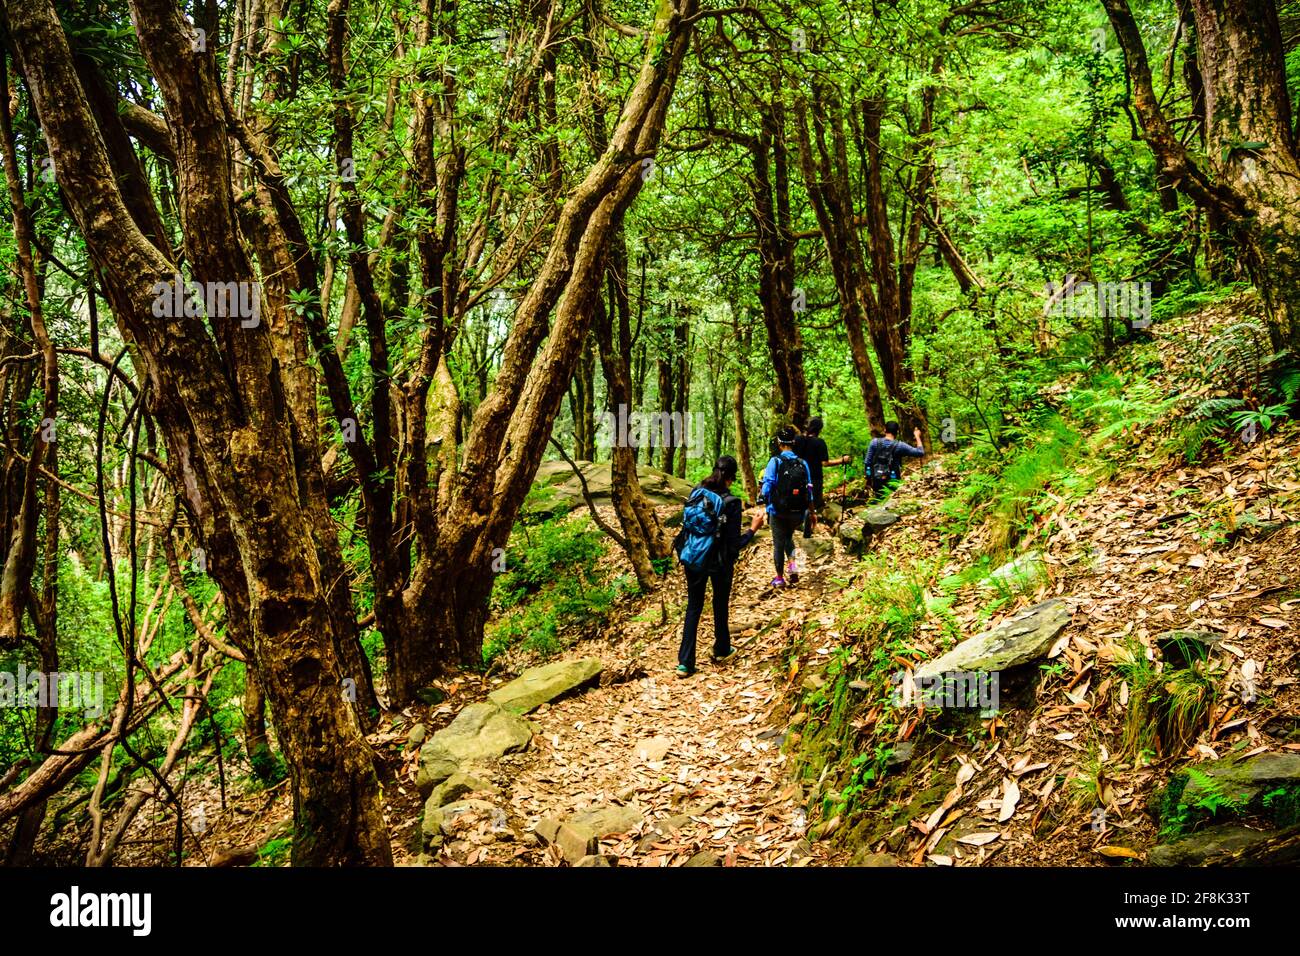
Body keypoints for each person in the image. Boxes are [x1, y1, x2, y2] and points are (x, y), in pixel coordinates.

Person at [676, 456, 764, 678]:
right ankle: (722, 648)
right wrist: (753, 529)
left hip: (693, 557)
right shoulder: (731, 503)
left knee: (694, 606)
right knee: (720, 602)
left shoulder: (697, 492)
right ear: (732, 476)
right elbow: (734, 545)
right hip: (718, 562)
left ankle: (685, 663)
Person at [760, 426, 814, 588]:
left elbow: (768, 485)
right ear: (793, 442)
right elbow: (809, 488)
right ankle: (792, 567)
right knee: (788, 537)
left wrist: (763, 499)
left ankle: (779, 578)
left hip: (778, 511)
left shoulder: (775, 461)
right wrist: (812, 511)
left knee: (778, 543)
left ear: (779, 442)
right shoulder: (803, 463)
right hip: (797, 511)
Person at [792, 416, 851, 534]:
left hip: (797, 477)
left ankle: (798, 525)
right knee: (813, 502)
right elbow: (824, 463)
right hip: (814, 478)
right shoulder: (819, 442)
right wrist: (842, 460)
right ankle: (809, 527)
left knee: (799, 501)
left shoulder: (797, 440)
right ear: (819, 429)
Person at [865, 421, 926, 496]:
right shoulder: (900, 446)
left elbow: (867, 462)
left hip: (876, 478)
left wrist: (869, 478)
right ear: (897, 431)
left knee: (878, 500)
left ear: (885, 430)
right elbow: (920, 452)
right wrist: (917, 436)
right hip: (893, 479)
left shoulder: (874, 442)